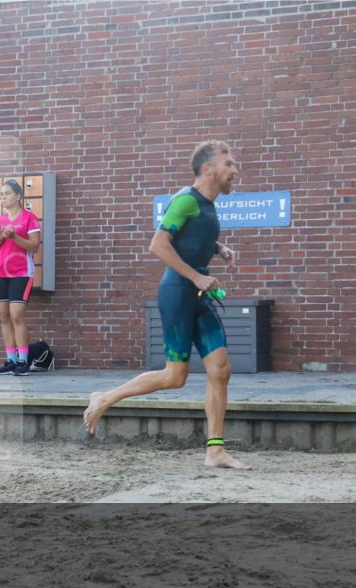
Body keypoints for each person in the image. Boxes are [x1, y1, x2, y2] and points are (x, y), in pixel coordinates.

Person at [83, 140, 250, 470]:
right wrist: (197, 278)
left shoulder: (204, 203)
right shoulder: (186, 200)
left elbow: (193, 234)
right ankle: (104, 397)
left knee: (220, 369)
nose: (235, 169)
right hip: (178, 292)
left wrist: (218, 249)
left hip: (199, 294)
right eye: (229, 164)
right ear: (208, 169)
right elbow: (158, 245)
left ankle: (215, 451)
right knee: (175, 377)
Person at [0, 179, 41, 376]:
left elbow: (34, 246)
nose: (3, 197)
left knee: (17, 314)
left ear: (18, 196)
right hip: (0, 272)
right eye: (1, 194)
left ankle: (23, 361)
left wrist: (14, 237)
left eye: (7, 193)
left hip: (21, 273)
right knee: (4, 316)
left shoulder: (29, 217)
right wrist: (1, 238)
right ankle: (11, 361)